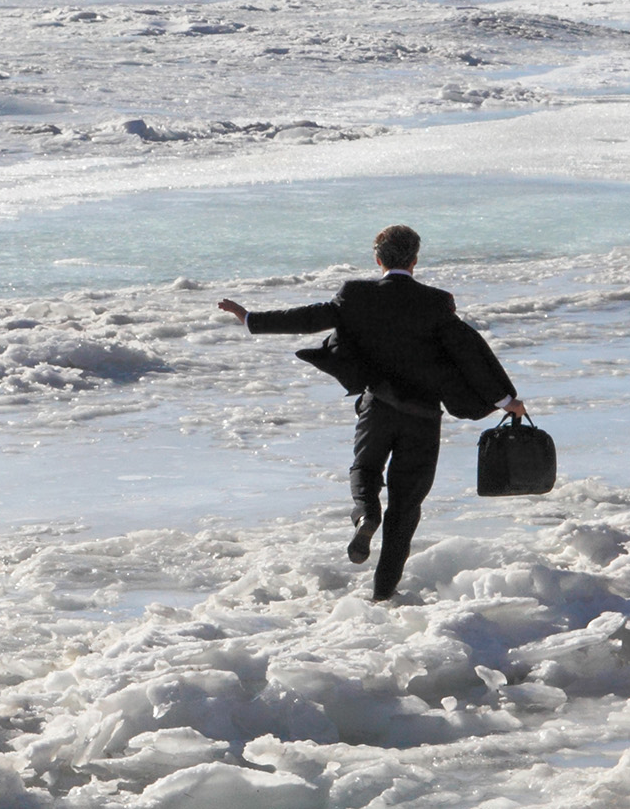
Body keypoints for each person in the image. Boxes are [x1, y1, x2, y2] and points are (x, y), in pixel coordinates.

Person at [218, 225, 524, 602]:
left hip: (377, 407)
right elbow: (469, 352)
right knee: (406, 508)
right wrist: (505, 399)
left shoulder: (355, 295)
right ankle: (382, 596)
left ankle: (365, 514)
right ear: (414, 260)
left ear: (377, 259)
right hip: (423, 418)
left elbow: (309, 318)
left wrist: (250, 319)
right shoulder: (436, 302)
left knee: (364, 470)